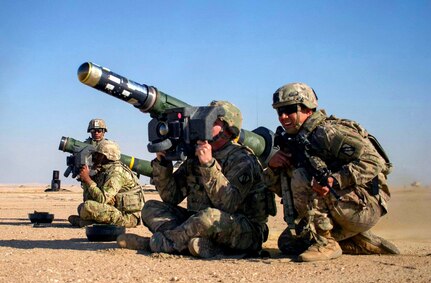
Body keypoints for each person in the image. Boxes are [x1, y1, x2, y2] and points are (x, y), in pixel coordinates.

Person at [117, 101, 276, 258]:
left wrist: (208, 165)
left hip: (244, 230)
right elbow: (171, 197)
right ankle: (197, 244)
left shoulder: (242, 159)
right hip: (199, 224)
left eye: (212, 121)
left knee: (209, 218)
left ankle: (156, 244)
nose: (203, 124)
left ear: (228, 129)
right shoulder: (196, 155)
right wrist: (162, 164)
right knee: (151, 208)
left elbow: (229, 205)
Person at [264, 82, 399, 262]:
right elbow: (284, 190)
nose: (283, 116)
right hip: (341, 207)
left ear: (307, 108)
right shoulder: (295, 140)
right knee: (289, 243)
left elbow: (374, 162)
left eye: (289, 110)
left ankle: (325, 241)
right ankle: (355, 240)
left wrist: (334, 180)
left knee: (301, 175)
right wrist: (273, 167)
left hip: (365, 206)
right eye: (279, 112)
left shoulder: (327, 132)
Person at [68, 140, 144, 228]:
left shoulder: (116, 173)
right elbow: (90, 198)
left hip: (128, 217)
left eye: (98, 154)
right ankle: (90, 223)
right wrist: (85, 180)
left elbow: (102, 199)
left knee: (87, 207)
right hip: (115, 211)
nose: (94, 157)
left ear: (105, 157)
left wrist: (88, 180)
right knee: (82, 207)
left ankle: (91, 224)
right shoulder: (105, 170)